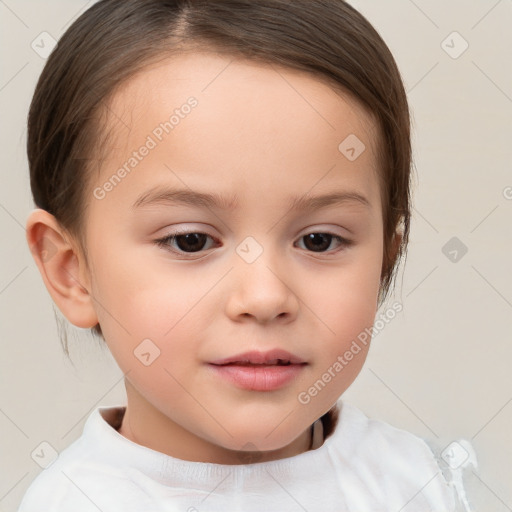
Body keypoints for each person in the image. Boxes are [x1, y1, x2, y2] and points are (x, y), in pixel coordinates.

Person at [19, 0, 479, 510]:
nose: (264, 297)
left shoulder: (413, 482)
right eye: (190, 240)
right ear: (72, 272)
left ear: (385, 261)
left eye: (319, 240)